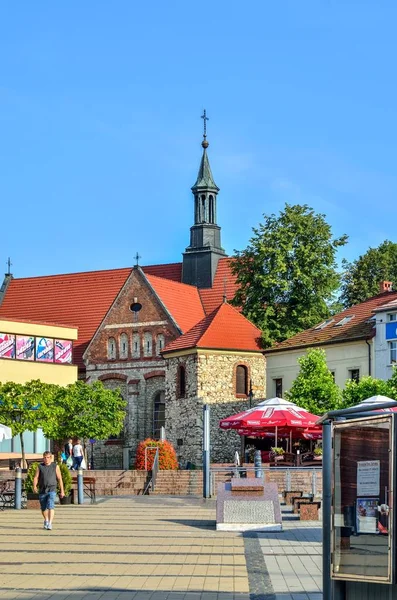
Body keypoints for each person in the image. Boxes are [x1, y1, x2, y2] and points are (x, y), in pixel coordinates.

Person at [33, 451, 65, 530]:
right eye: (45, 458)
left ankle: (50, 523)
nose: (46, 459)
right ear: (43, 458)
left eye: (48, 457)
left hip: (52, 489)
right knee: (43, 508)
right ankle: (46, 520)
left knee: (51, 506)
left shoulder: (55, 466)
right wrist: (34, 486)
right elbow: (36, 477)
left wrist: (62, 491)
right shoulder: (40, 466)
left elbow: (59, 478)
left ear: (51, 458)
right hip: (42, 489)